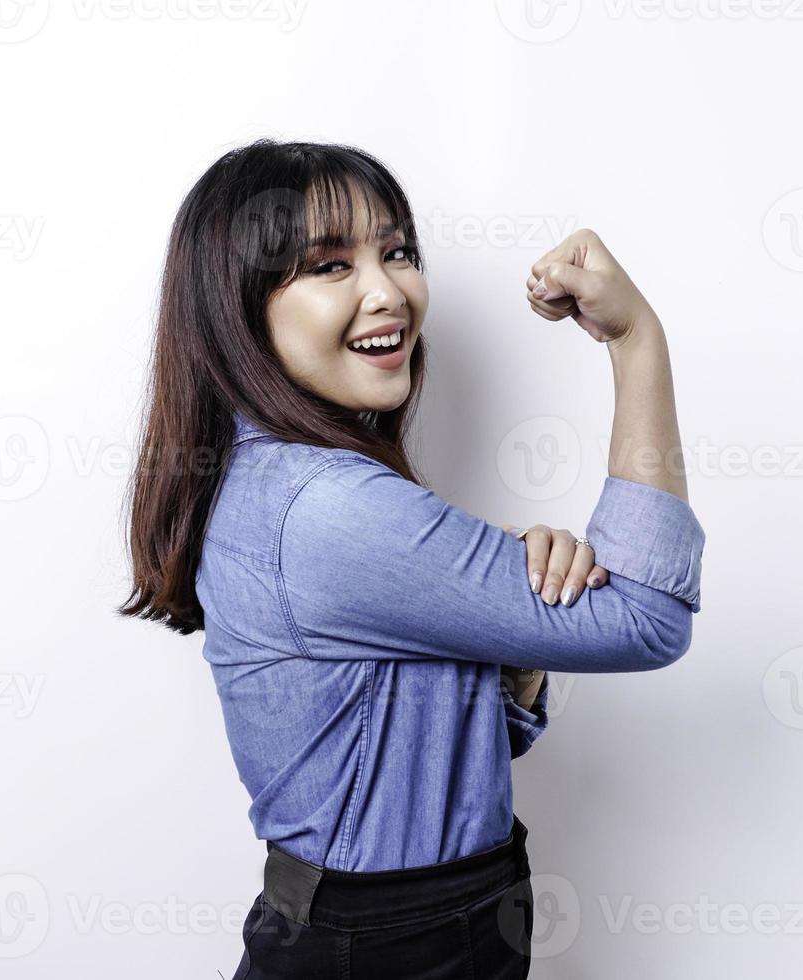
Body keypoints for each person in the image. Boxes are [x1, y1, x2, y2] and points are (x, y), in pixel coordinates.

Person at [118, 138, 705, 978]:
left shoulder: (289, 482)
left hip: (409, 924)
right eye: (329, 266)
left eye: (397, 252)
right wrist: (636, 339)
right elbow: (648, 620)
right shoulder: (327, 508)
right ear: (238, 308)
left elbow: (407, 759)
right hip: (386, 944)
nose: (387, 291)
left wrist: (515, 653)